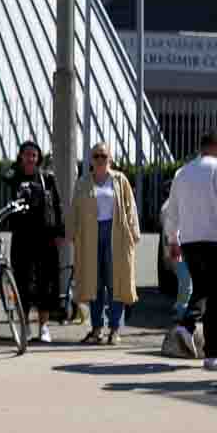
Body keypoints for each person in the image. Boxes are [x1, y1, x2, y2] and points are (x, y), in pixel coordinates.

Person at [163, 131, 217, 369]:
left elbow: (172, 210)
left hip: (190, 241)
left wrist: (173, 240)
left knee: (202, 288)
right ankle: (212, 353)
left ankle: (187, 325)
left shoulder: (182, 173)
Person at [68, 143, 139, 345]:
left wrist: (134, 233)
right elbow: (74, 209)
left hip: (115, 233)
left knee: (116, 281)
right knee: (94, 283)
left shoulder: (119, 180)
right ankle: (97, 328)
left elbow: (130, 206)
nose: (100, 159)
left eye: (104, 155)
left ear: (110, 159)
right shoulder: (83, 182)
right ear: (91, 159)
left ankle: (115, 329)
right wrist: (71, 233)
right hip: (90, 235)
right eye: (96, 156)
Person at [1, 140, 65, 343]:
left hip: (44, 237)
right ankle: (25, 325)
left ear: (39, 159)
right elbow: (5, 173)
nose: (30, 158)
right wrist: (18, 165)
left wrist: (59, 232)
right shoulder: (15, 177)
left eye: (34, 155)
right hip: (22, 236)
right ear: (20, 157)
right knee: (22, 281)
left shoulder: (47, 178)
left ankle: (44, 326)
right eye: (26, 154)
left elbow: (56, 205)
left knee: (46, 282)